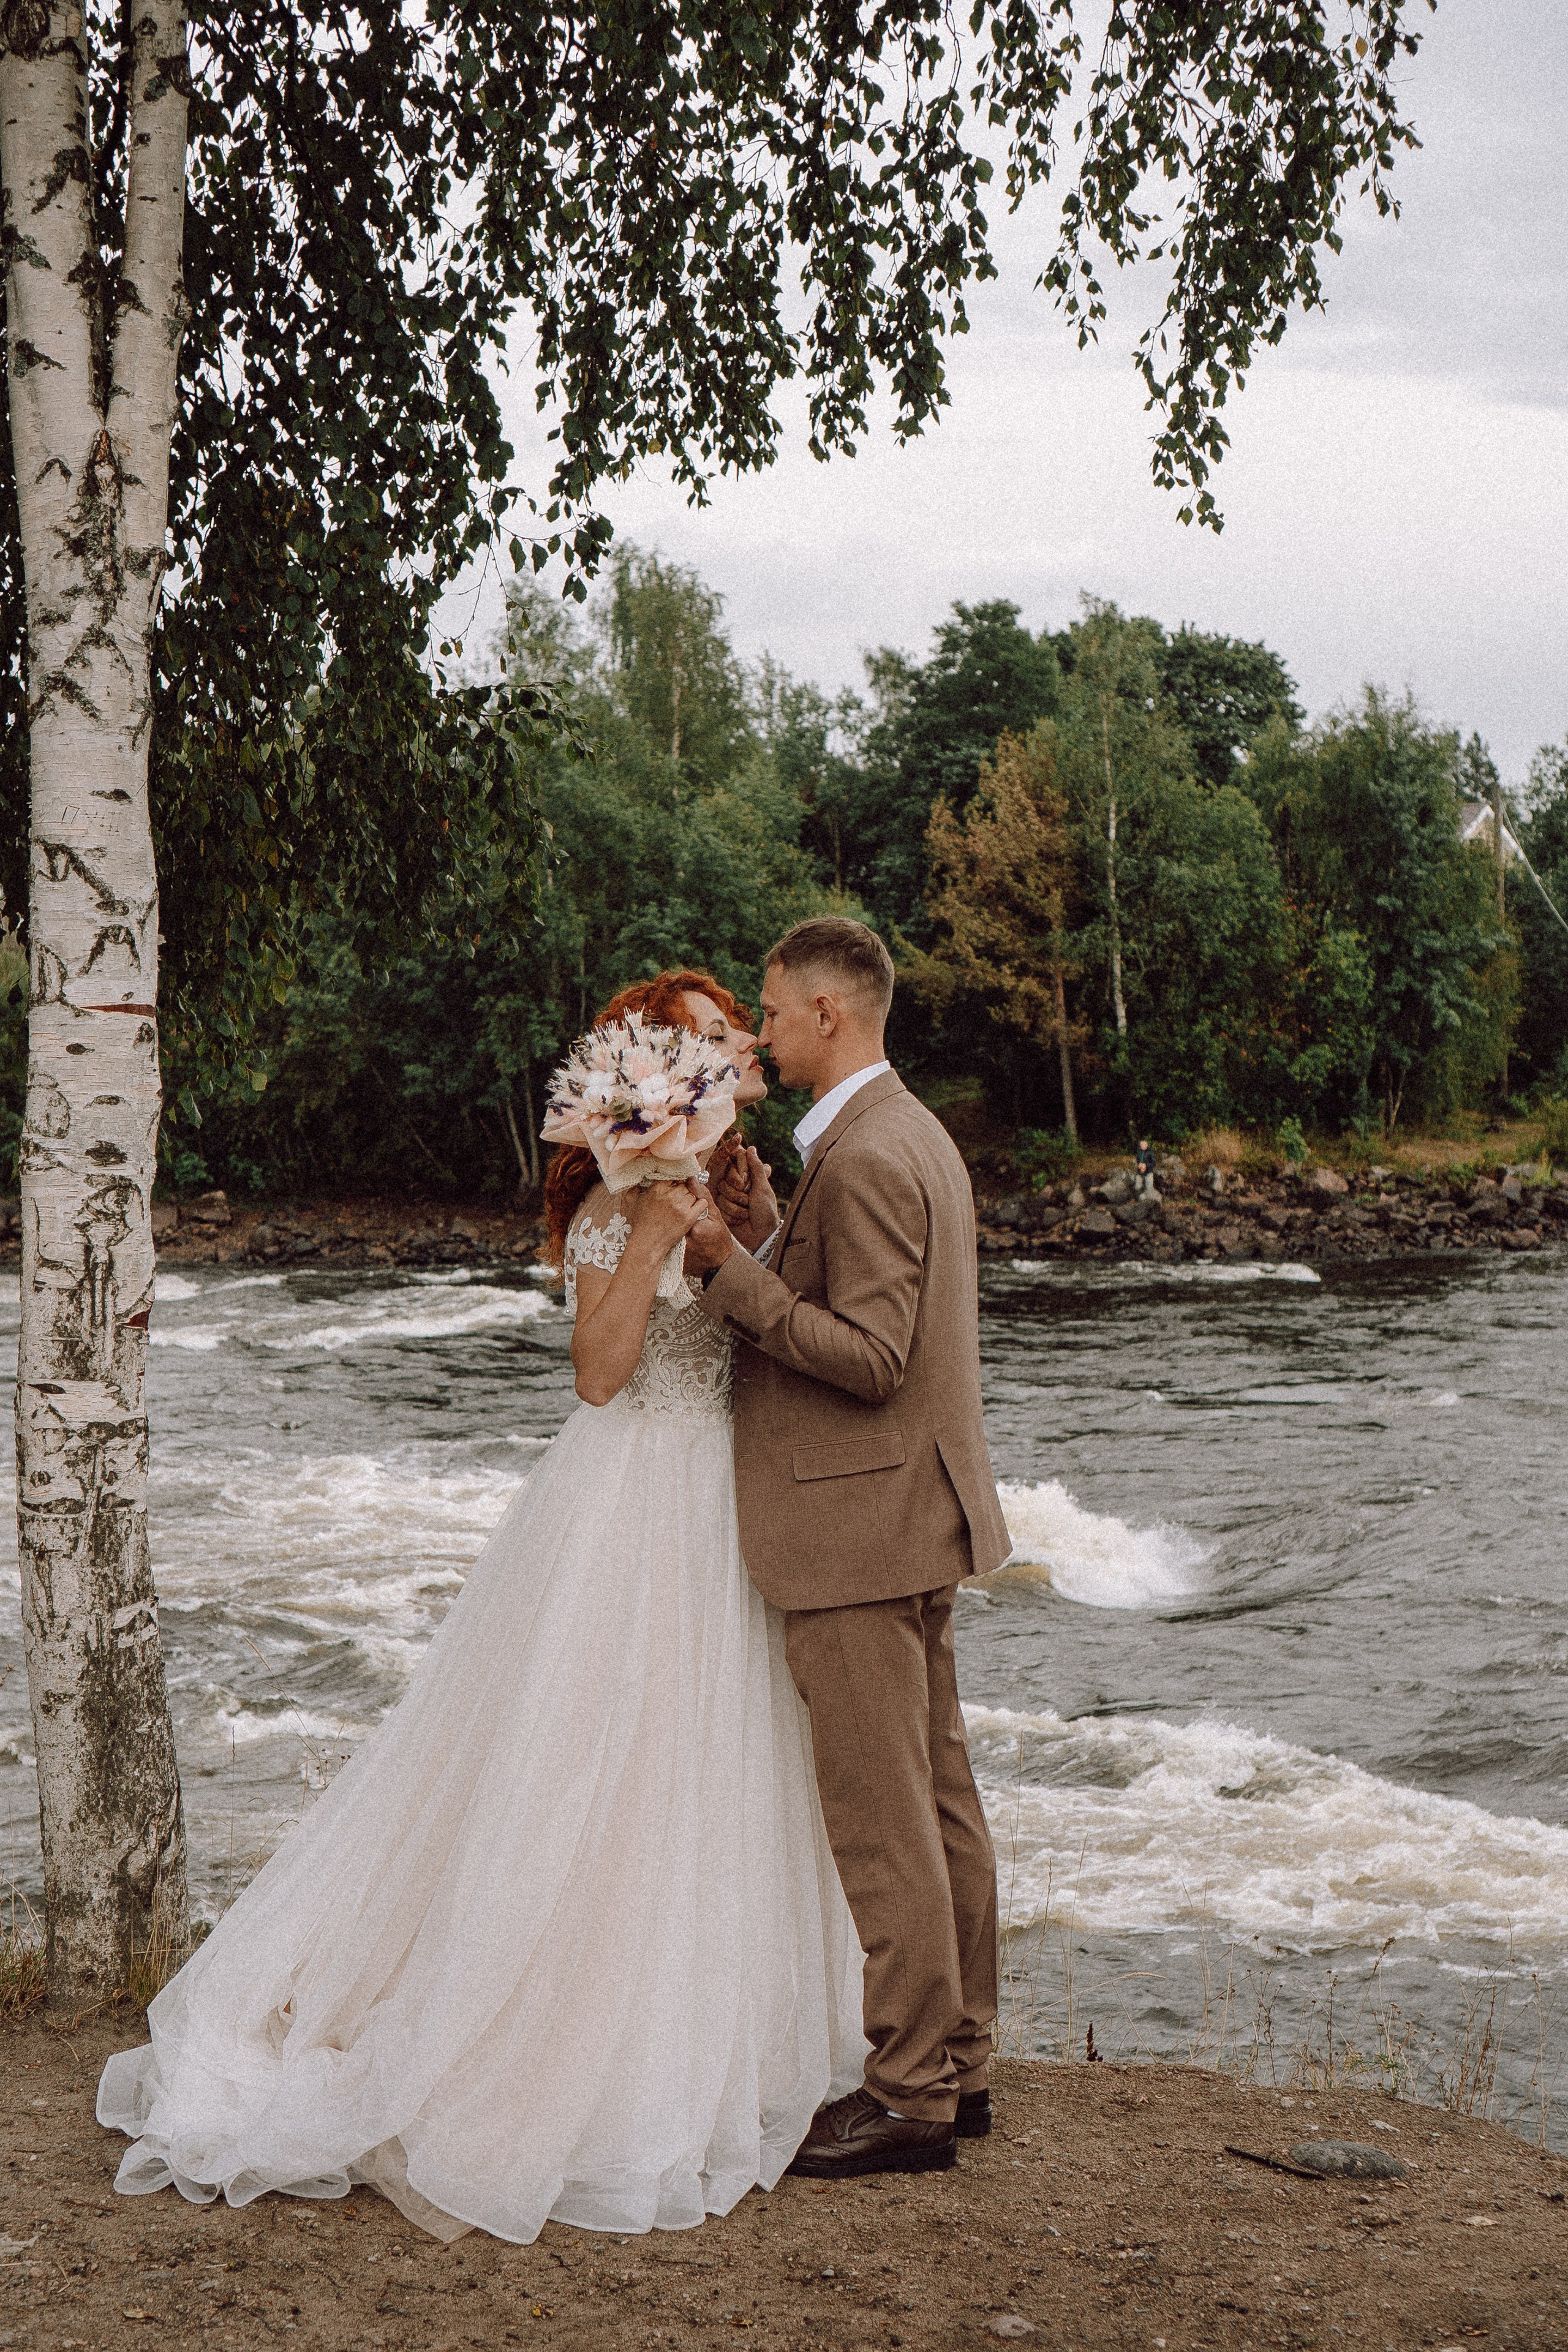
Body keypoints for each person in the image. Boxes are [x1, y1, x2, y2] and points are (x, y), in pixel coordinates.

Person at [97, 970, 865, 2245]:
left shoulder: (753, 1189)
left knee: (714, 1763)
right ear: (662, 1082)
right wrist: (659, 1228)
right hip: (627, 1501)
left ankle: (713, 2024)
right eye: (718, 1051)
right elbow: (601, 1376)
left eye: (736, 1048)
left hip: (729, 1501)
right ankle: (553, 2041)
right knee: (594, 1757)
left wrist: (721, 1231)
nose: (738, 1065)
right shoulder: (622, 1207)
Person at [683, 916, 1011, 2182]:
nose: (760, 1034)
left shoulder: (868, 1156)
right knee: (940, 1807)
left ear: (827, 1012)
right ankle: (961, 2066)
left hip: (854, 1524)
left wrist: (725, 1267)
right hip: (906, 1513)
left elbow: (869, 1360)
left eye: (769, 1012)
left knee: (886, 1824)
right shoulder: (901, 1130)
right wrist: (770, 1233)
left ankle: (908, 2094)